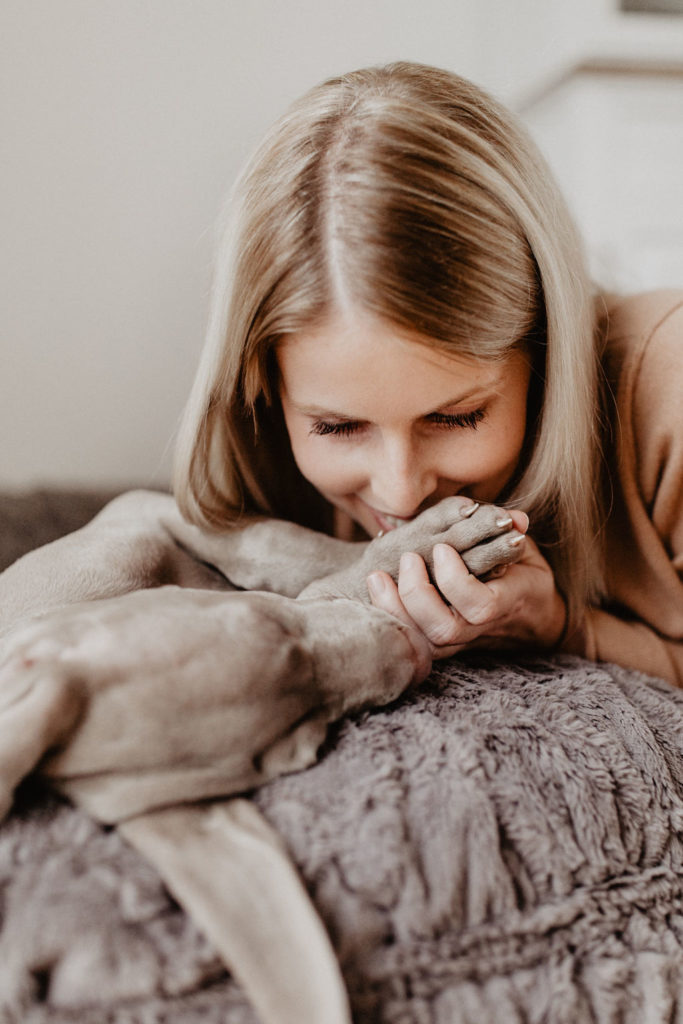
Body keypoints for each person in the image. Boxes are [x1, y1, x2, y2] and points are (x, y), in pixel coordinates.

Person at [1, 59, 682, 691]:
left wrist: (564, 626)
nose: (400, 490)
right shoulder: (263, 465)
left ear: (545, 345)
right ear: (263, 393)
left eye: (455, 416)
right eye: (336, 426)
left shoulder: (666, 375)